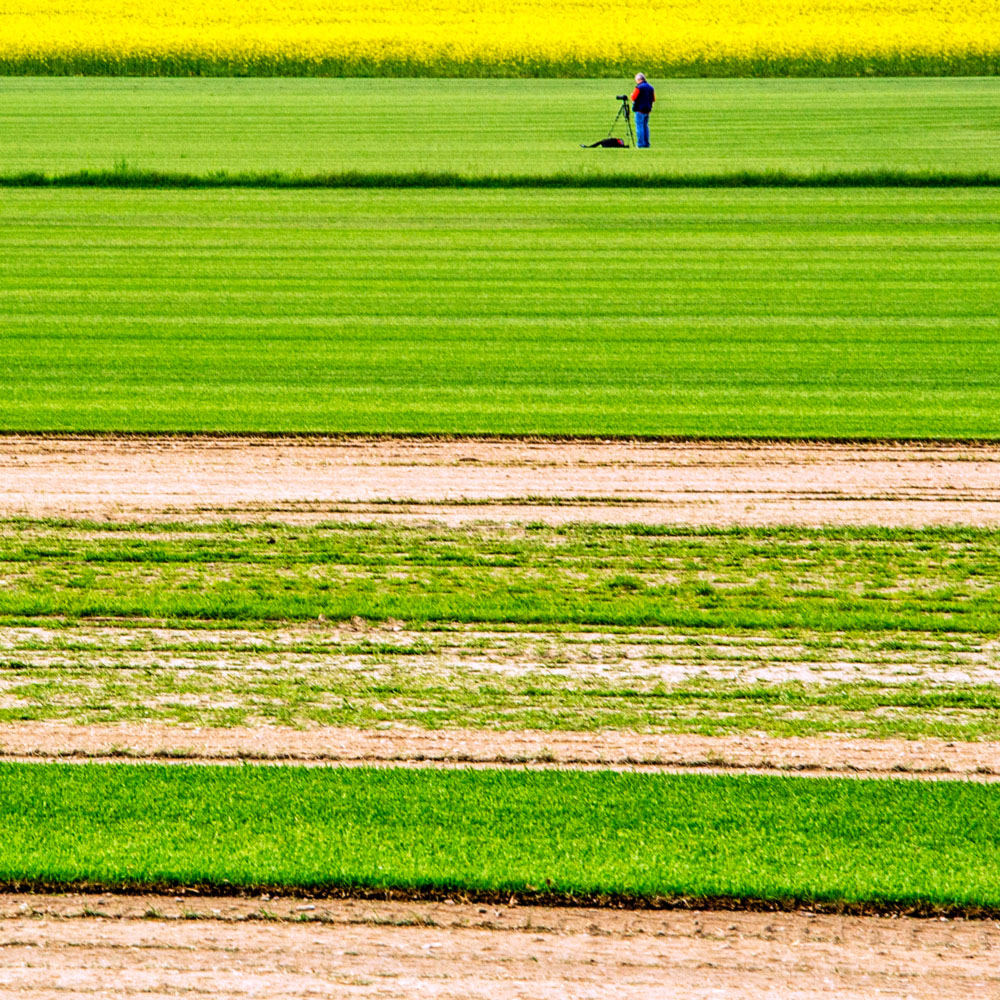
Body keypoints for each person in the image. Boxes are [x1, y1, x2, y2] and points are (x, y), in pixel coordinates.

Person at [630, 73, 655, 148]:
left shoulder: (639, 87)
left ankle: (640, 144)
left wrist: (631, 95)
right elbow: (653, 99)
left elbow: (633, 98)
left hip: (639, 109)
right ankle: (646, 143)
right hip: (647, 109)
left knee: (639, 127)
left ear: (639, 79)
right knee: (645, 126)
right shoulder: (651, 87)